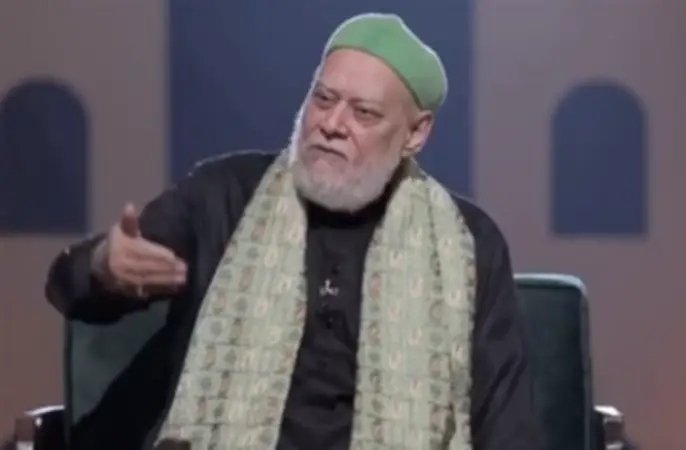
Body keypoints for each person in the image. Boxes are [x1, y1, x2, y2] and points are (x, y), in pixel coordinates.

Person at [45, 12, 541, 450]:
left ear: (416, 133)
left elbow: (506, 421)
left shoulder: (466, 243)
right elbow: (71, 289)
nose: (332, 124)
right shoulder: (224, 196)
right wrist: (104, 268)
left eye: (364, 113)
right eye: (323, 99)